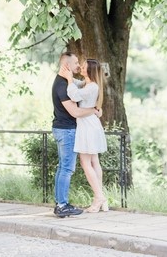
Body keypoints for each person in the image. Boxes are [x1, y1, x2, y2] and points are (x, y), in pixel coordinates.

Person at [51, 51, 101, 218]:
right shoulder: (62, 86)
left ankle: (60, 203)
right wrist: (93, 110)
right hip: (66, 131)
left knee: (62, 168)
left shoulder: (65, 82)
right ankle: (62, 205)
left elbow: (84, 86)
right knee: (66, 168)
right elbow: (75, 111)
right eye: (76, 63)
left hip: (65, 129)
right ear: (67, 66)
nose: (79, 66)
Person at [60, 57, 109, 213]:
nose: (81, 67)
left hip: (87, 126)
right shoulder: (89, 84)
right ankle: (101, 199)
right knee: (94, 161)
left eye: (84, 66)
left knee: (86, 162)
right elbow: (77, 83)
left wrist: (68, 80)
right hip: (90, 124)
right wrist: (69, 76)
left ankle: (99, 197)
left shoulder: (92, 87)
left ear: (90, 71)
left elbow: (73, 95)